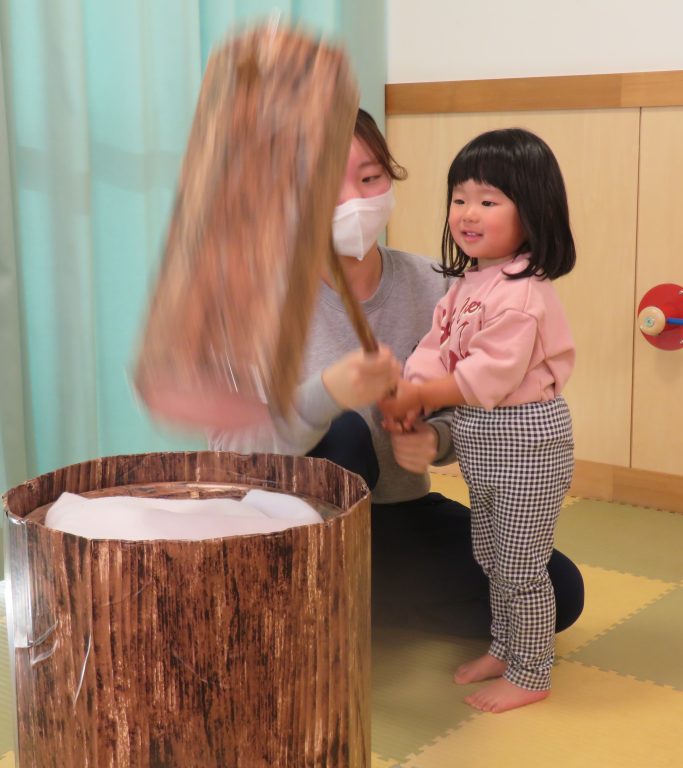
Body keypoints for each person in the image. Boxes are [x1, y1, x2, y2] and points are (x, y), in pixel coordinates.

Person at [210, 110, 584, 642]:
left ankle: (355, 604)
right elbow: (230, 451)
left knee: (558, 589)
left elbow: (474, 403)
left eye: (369, 178)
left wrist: (434, 439)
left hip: (396, 516)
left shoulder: (443, 285)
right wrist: (325, 395)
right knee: (345, 433)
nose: (354, 202)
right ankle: (322, 595)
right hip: (288, 530)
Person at [379, 128, 577, 714]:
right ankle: (502, 646)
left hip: (527, 443)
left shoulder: (524, 292)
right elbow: (435, 347)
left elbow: (490, 372)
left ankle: (531, 671)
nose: (468, 213)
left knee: (521, 566)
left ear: (532, 212)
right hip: (481, 443)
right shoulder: (469, 282)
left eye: (488, 201)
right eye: (460, 198)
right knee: (489, 555)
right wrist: (412, 389)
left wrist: (425, 394)